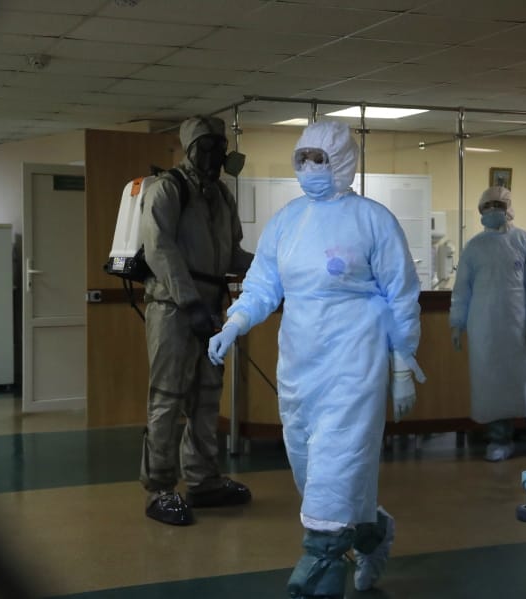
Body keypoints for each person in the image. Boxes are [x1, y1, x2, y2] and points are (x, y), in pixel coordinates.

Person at [207, 120, 425, 599]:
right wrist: (235, 322)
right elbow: (264, 283)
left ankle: (317, 577)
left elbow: (401, 295)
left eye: (319, 159)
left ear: (343, 161)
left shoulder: (373, 219)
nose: (310, 168)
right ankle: (372, 532)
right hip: (300, 367)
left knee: (335, 470)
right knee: (313, 472)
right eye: (303, 159)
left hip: (356, 361)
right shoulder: (287, 221)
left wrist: (401, 361)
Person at [139, 115, 255, 526]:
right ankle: (160, 488)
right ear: (188, 150)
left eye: (218, 148)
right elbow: (159, 249)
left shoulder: (222, 197)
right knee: (168, 398)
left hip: (212, 309)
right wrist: (189, 303)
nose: (213, 156)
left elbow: (233, 255)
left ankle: (204, 481)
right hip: (173, 308)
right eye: (204, 147)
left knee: (207, 396)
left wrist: (273, 269)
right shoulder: (168, 189)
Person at [449, 186, 526, 461]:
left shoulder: (525, 242)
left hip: (519, 329)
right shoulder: (474, 248)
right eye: (488, 205)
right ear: (481, 210)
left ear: (508, 208)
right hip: (485, 329)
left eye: (498, 205)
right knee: (491, 386)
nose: (493, 210)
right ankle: (499, 440)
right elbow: (462, 290)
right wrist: (457, 323)